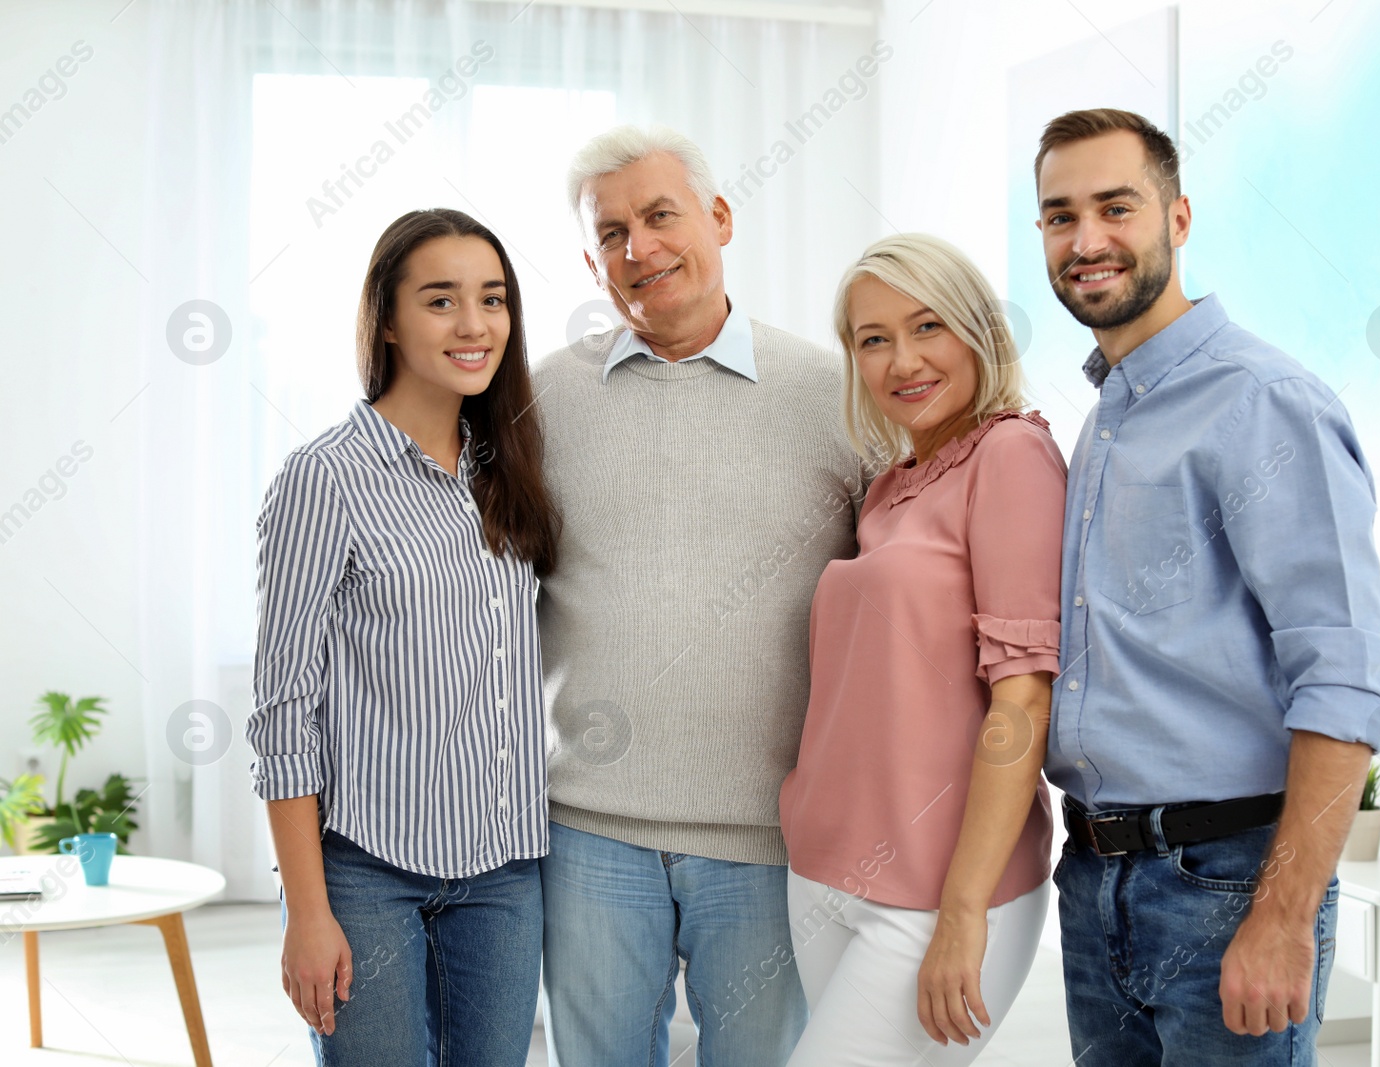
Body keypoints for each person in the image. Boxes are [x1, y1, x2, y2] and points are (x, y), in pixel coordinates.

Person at [1033, 107, 1380, 1063]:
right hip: (1095, 876)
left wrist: (1282, 917)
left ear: (1179, 217)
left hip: (1227, 880)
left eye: (1117, 207)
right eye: (1059, 215)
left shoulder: (1262, 402)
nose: (1087, 240)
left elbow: (1344, 679)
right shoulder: (1108, 412)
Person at [531, 125, 869, 1067]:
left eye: (659, 216)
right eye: (610, 233)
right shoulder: (543, 398)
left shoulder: (834, 394)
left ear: (719, 218)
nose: (638, 249)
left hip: (769, 832)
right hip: (591, 828)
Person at [246, 208, 560, 1065]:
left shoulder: (508, 468)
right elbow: (282, 709)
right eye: (441, 300)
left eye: (492, 299)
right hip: (365, 870)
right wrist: (307, 912)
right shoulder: (325, 477)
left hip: (504, 868)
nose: (474, 325)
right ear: (386, 317)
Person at [780, 233, 1066, 1065]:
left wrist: (965, 909)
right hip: (826, 869)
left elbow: (1024, 700)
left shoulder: (1012, 455)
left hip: (941, 890)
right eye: (873, 339)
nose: (902, 359)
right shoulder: (888, 488)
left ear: (977, 329)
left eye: (928, 325)